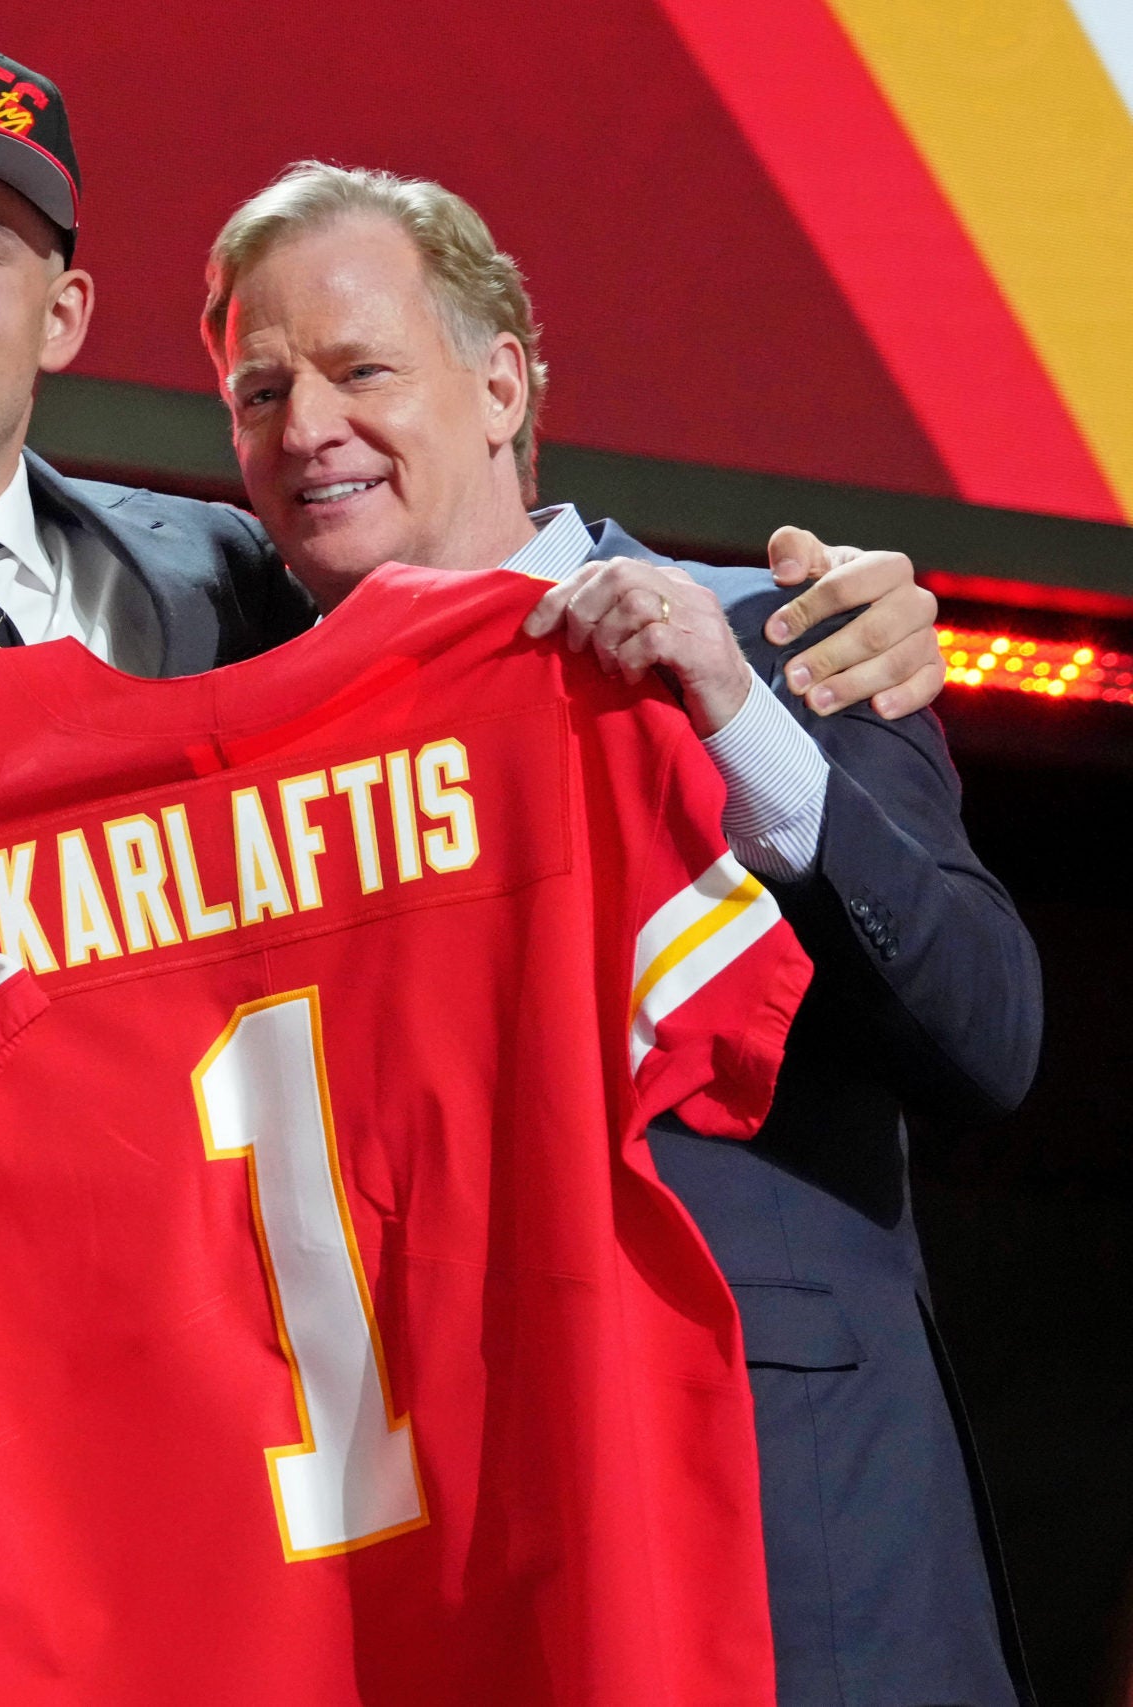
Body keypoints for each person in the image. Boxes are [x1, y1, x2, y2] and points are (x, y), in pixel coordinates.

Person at [0, 39, 951, 1705]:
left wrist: (807, 626)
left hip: (192, 1554)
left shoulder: (227, 580)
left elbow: (502, 595)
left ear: (61, 314)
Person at [199, 160, 1043, 1707]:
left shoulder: (782, 637)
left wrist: (733, 725)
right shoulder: (253, 763)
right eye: (261, 393)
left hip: (787, 1545)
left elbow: (986, 1030)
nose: (306, 425)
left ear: (504, 376)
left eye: (361, 367)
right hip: (448, 1571)